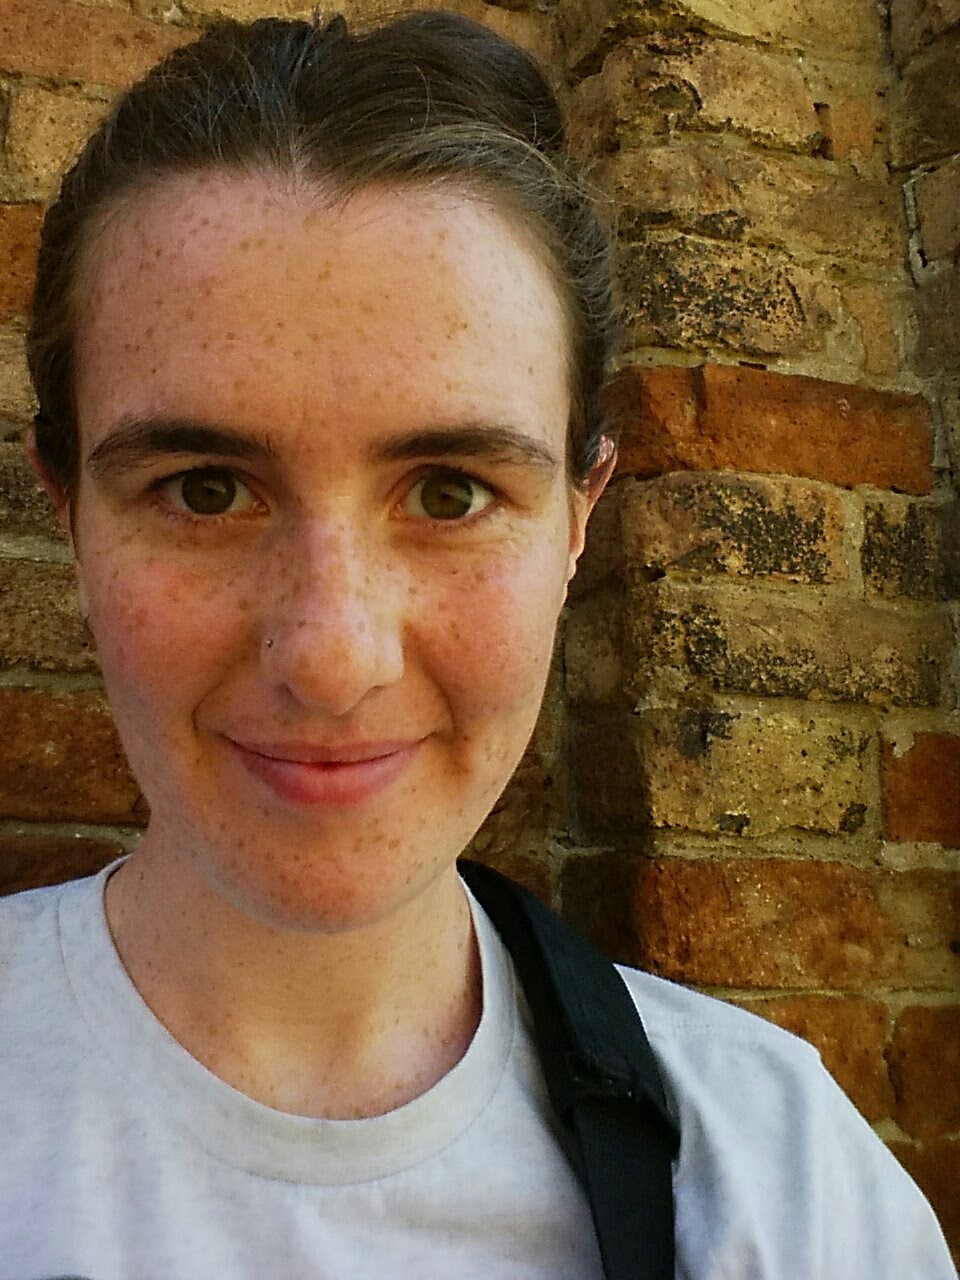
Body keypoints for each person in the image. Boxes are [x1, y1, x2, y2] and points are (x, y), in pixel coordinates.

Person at [1, 11, 954, 1278]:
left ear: (578, 519)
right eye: (205, 489)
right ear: (69, 512)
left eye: (450, 492)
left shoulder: (790, 1189)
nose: (333, 657)